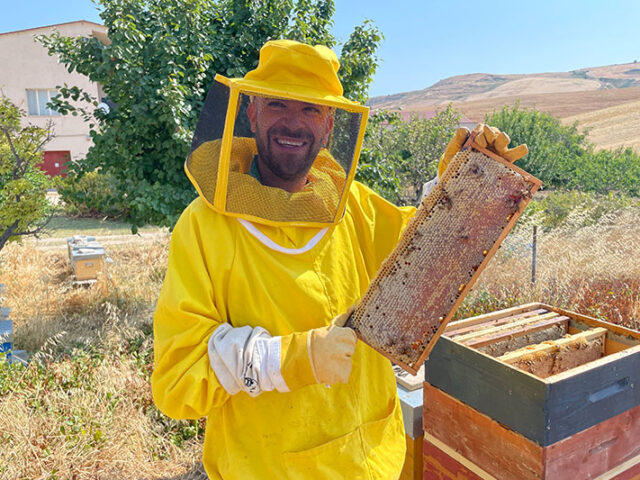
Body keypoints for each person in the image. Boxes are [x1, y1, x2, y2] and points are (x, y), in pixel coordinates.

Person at [151, 39, 527, 479]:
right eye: (278, 104)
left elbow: (422, 252)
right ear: (250, 112)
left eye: (311, 110)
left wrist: (463, 185)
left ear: (330, 125)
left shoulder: (350, 202)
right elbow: (178, 378)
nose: (295, 123)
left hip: (374, 458)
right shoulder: (203, 226)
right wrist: (294, 358)